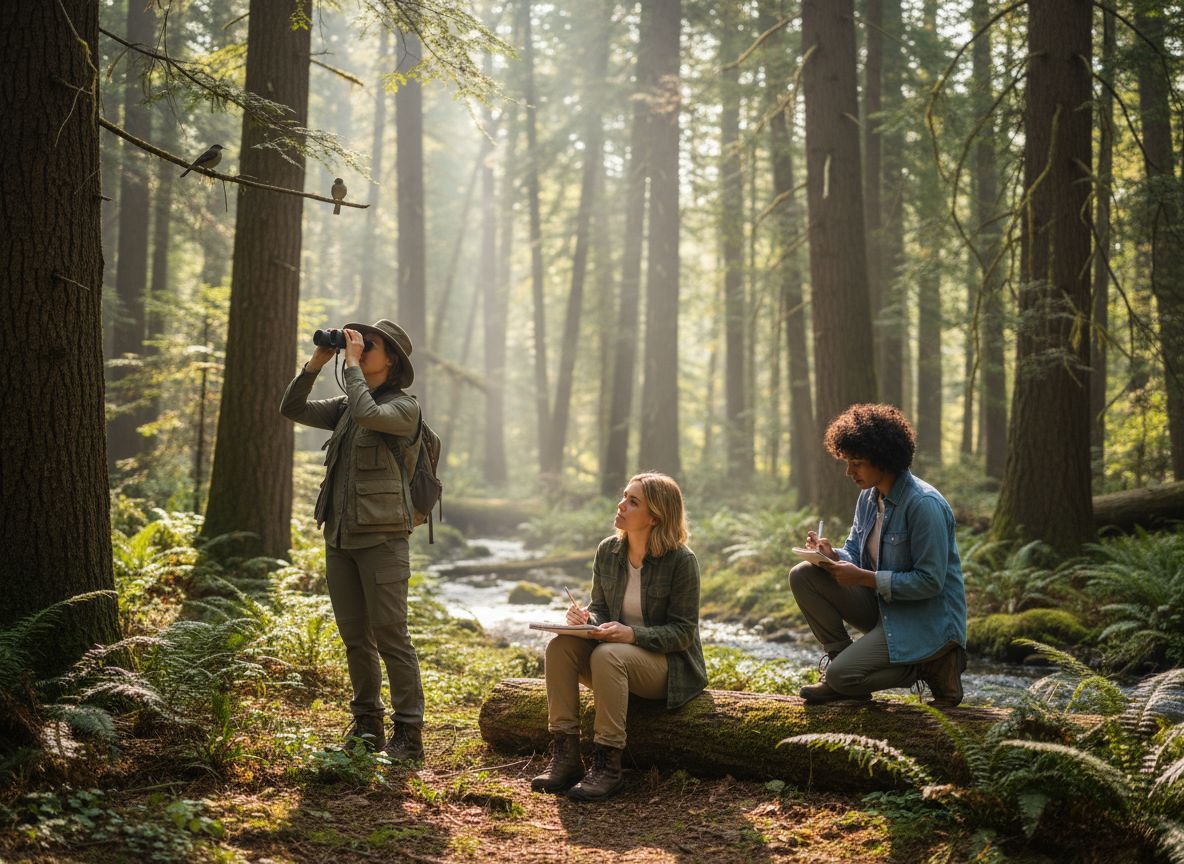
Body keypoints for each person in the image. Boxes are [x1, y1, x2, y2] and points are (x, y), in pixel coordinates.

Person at [280, 319, 426, 761]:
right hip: (341, 537)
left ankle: (409, 734)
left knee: (391, 636)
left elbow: (369, 414)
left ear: (392, 359)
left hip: (382, 540)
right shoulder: (347, 406)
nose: (360, 349)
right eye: (358, 344)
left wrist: (352, 367)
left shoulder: (404, 409)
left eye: (370, 345)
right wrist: (317, 362)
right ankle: (366, 728)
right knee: (355, 639)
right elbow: (292, 408)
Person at [531, 472, 708, 802]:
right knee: (559, 647)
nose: (621, 505)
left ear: (655, 516)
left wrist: (632, 635)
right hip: (616, 659)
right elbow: (599, 608)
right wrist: (586, 619)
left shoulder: (682, 562)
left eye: (633, 501)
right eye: (624, 496)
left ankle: (608, 767)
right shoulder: (608, 551)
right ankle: (566, 757)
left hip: (667, 669)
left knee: (606, 654)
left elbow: (683, 633)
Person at [789, 403, 967, 707]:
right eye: (847, 461)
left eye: (857, 462)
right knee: (803, 575)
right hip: (886, 607)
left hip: (925, 621)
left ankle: (929, 665)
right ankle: (841, 664)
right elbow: (857, 553)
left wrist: (866, 579)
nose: (849, 472)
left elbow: (930, 582)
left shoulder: (924, 505)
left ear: (884, 459)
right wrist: (832, 554)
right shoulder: (869, 498)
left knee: (843, 679)